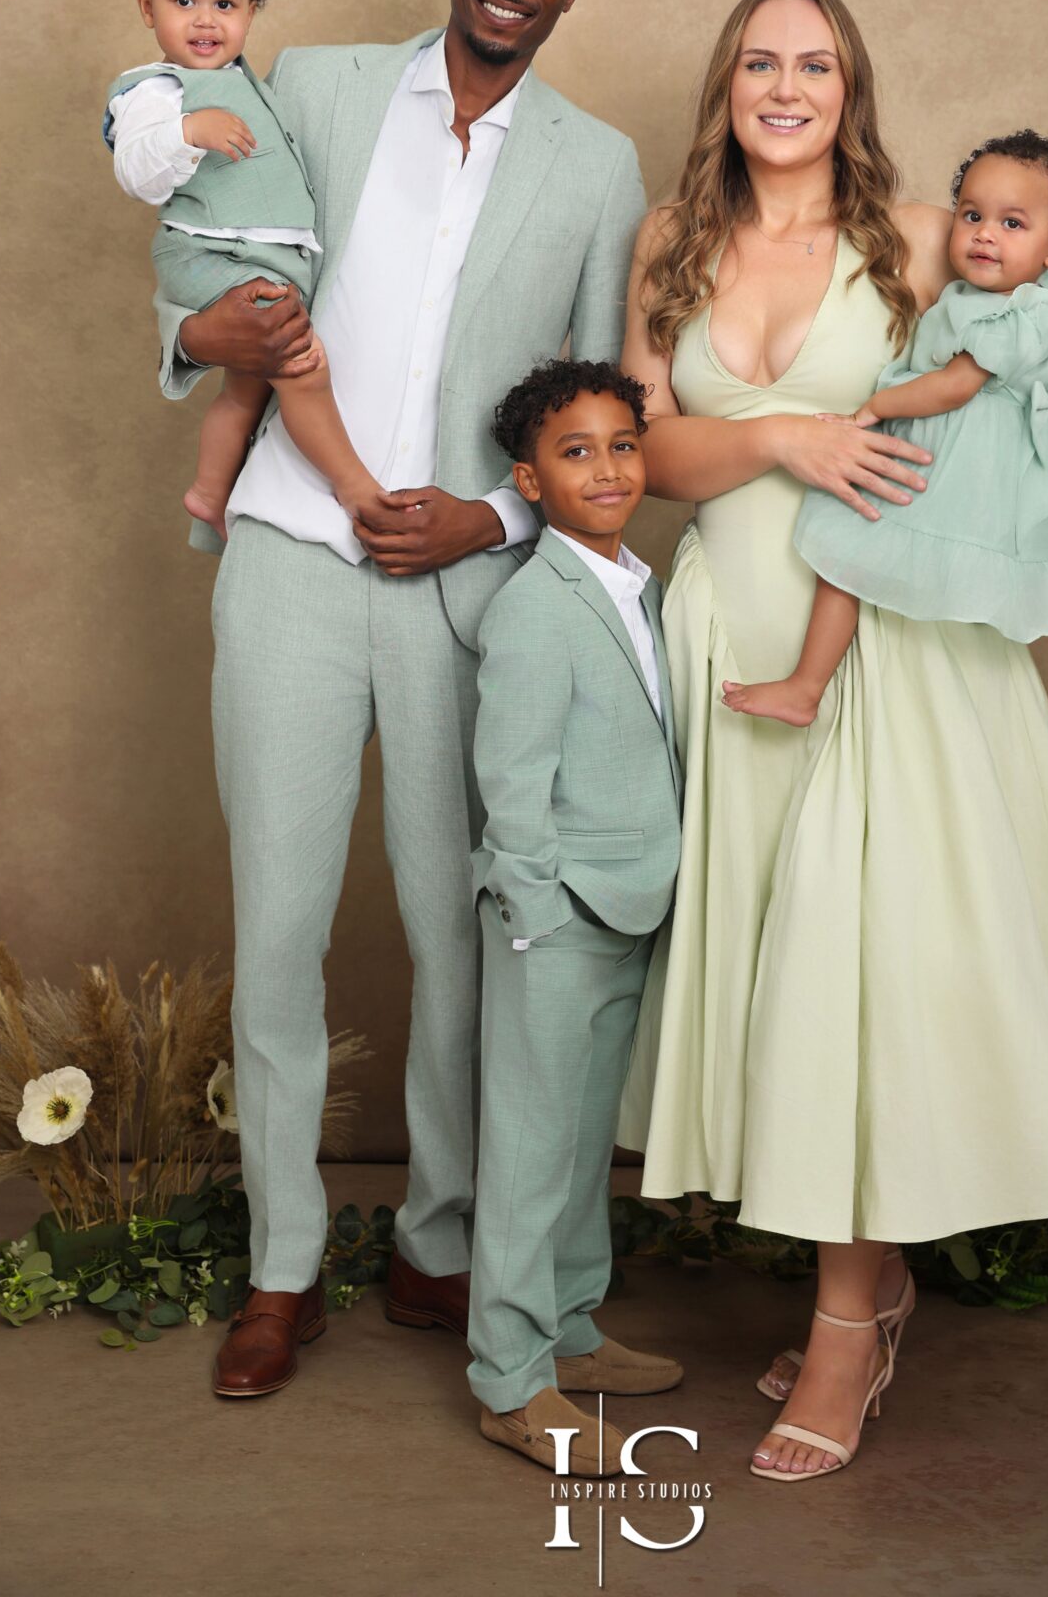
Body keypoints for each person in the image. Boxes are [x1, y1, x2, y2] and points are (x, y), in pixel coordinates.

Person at [617, 0, 1048, 1483]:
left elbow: (1036, 349)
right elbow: (651, 450)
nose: (785, 86)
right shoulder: (669, 242)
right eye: (759, 61)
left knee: (857, 978)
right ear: (725, 81)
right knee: (773, 976)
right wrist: (781, 436)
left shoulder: (921, 235)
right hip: (734, 633)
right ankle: (871, 1283)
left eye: (816, 64)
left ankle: (847, 1321)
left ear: (850, 89)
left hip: (887, 655)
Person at [151, 0, 649, 1399]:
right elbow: (218, 249)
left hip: (471, 593)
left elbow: (597, 409)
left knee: (466, 935)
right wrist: (189, 329)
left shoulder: (600, 167)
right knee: (280, 931)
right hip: (291, 564)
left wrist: (493, 520)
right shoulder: (314, 82)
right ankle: (284, 1266)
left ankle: (442, 1248)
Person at [722, 129, 1048, 725]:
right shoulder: (1000, 297)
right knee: (859, 565)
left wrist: (873, 410)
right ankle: (814, 688)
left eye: (1013, 224)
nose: (985, 233)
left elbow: (956, 384)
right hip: (949, 452)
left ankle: (810, 687)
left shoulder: (1022, 309)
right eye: (972, 214)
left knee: (851, 554)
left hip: (956, 461)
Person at [468, 359, 683, 1475]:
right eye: (575, 450)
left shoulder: (643, 587)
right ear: (530, 480)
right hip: (555, 919)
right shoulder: (534, 607)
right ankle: (510, 1378)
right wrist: (534, 910)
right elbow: (512, 779)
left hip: (636, 906)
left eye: (620, 444)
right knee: (529, 1149)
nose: (606, 467)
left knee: (585, 1140)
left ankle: (572, 1331)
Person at [106, 0, 374, 538]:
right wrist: (187, 132)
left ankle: (209, 491)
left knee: (248, 390)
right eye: (183, 1)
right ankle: (355, 485)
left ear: (251, 11)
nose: (205, 20)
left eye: (225, 5)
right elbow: (136, 172)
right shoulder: (158, 90)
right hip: (211, 256)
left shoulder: (248, 81)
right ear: (147, 7)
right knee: (301, 365)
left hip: (255, 257)